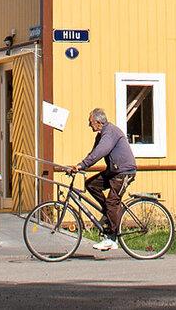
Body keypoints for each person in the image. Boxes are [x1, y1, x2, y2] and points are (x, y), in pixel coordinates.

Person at [51, 107, 136, 250]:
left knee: (112, 202)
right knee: (91, 185)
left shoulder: (109, 133)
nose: (89, 125)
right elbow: (93, 153)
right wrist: (78, 166)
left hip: (124, 172)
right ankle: (110, 213)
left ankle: (111, 238)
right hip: (113, 171)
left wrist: (81, 165)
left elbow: (100, 152)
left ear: (98, 122)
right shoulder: (101, 134)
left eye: (90, 122)